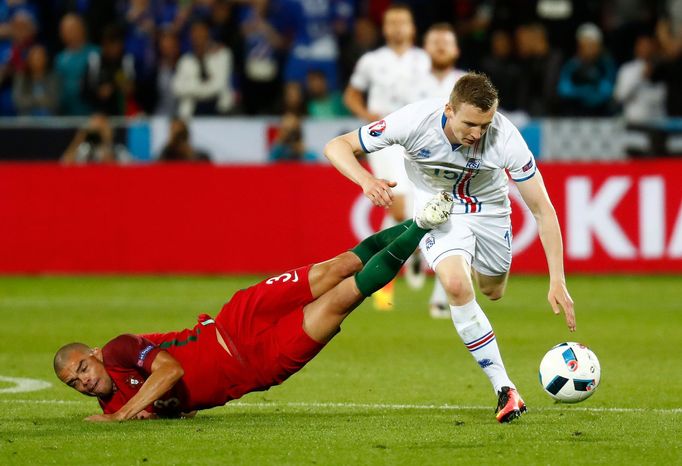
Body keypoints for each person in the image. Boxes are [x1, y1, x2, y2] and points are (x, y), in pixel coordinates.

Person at [53, 193, 455, 421]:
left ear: (93, 354)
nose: (84, 382)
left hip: (237, 321)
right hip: (259, 366)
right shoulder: (111, 404)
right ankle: (425, 224)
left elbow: (171, 371)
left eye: (83, 369)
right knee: (345, 296)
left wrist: (126, 416)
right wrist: (157, 414)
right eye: (75, 383)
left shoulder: (120, 351)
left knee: (340, 266)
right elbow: (187, 406)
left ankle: (426, 214)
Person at [324, 72, 576, 423]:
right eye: (470, 124)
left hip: (489, 210)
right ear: (449, 110)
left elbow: (542, 210)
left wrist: (558, 280)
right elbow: (336, 146)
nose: (477, 133)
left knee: (492, 291)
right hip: (437, 207)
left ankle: (465, 257)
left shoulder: (506, 139)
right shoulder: (414, 121)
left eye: (485, 125)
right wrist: (366, 180)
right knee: (456, 285)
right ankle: (505, 388)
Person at [343, 3, 430, 309]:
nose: (396, 28)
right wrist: (368, 116)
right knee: (398, 204)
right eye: (391, 22)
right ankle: (415, 250)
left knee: (405, 206)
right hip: (384, 139)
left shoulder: (426, 59)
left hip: (418, 138)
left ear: (412, 28)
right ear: (385, 28)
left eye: (402, 22)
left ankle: (383, 280)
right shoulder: (371, 61)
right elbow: (351, 95)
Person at [414, 22, 466, 318]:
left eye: (447, 42)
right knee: (415, 221)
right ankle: (416, 252)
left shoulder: (466, 82)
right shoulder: (410, 81)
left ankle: (439, 297)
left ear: (456, 49)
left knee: (452, 225)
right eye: (435, 42)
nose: (441, 47)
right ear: (426, 48)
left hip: (453, 166)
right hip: (415, 163)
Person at [171, 19, 235, 118]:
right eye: (194, 31)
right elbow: (177, 88)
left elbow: (219, 86)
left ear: (208, 33)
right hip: (192, 113)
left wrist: (191, 87)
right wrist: (204, 85)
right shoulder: (185, 60)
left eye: (201, 31)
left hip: (219, 112)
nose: (198, 35)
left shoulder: (222, 54)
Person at [557, 23, 616, 116]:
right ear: (579, 46)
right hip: (575, 114)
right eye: (586, 45)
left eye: (592, 45)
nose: (589, 49)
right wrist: (583, 92)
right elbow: (564, 89)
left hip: (601, 114)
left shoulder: (606, 65)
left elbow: (607, 90)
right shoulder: (571, 65)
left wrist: (594, 96)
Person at [54, 13, 98, 116]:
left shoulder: (96, 53)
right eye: (64, 29)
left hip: (93, 115)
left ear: (82, 28)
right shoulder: (59, 59)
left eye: (72, 28)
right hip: (67, 115)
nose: (68, 32)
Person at [12, 43, 58, 116]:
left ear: (46, 59)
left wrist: (31, 100)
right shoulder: (21, 77)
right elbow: (18, 101)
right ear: (29, 60)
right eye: (34, 58)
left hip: (50, 119)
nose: (37, 61)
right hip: (26, 119)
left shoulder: (53, 77)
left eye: (40, 58)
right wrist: (39, 100)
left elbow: (54, 101)